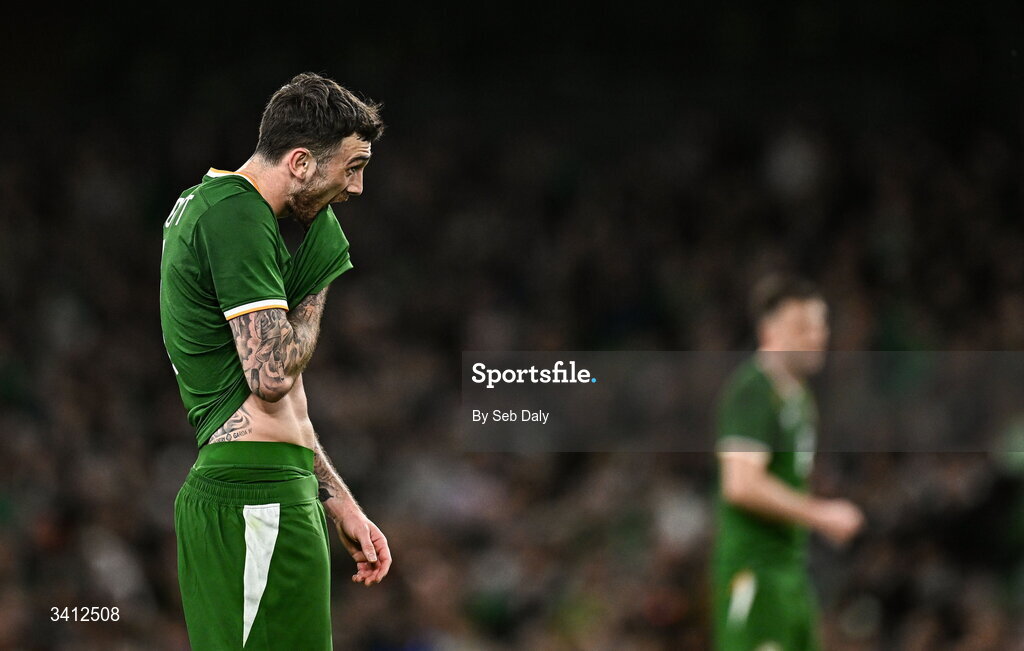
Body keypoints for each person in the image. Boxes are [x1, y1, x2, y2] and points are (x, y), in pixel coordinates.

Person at [159, 73, 392, 650]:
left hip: (274, 491)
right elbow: (270, 377)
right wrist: (315, 282)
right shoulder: (234, 214)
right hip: (250, 497)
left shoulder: (219, 209)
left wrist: (338, 504)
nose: (357, 187)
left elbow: (288, 410)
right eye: (353, 166)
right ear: (301, 162)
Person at [711, 275, 864, 651]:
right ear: (769, 331)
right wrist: (819, 514)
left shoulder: (799, 398)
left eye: (820, 324)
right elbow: (741, 485)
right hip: (755, 571)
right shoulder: (753, 392)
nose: (816, 336)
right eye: (801, 327)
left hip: (790, 571)